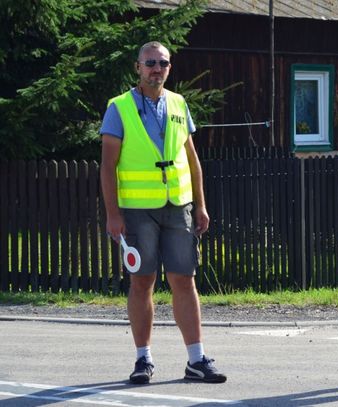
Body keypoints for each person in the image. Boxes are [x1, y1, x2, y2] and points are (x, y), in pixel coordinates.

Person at [100, 41, 226, 385]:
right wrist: (113, 214)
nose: (157, 69)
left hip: (178, 206)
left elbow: (192, 159)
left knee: (184, 279)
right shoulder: (119, 107)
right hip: (137, 211)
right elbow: (107, 166)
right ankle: (143, 358)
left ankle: (196, 360)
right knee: (142, 281)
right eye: (150, 63)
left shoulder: (178, 103)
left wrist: (200, 205)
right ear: (138, 68)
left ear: (169, 68)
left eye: (163, 63)